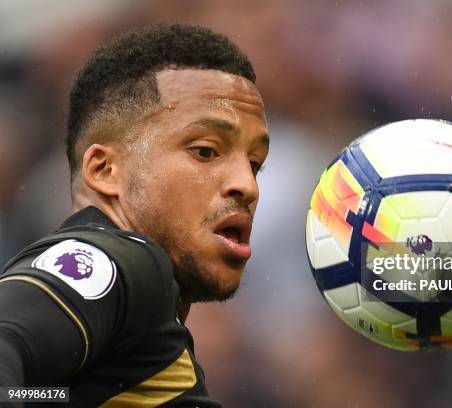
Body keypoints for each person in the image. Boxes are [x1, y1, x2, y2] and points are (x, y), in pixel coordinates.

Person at [0, 23, 269, 407]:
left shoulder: (138, 335)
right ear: (106, 170)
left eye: (256, 163)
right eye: (206, 151)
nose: (248, 185)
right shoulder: (120, 260)